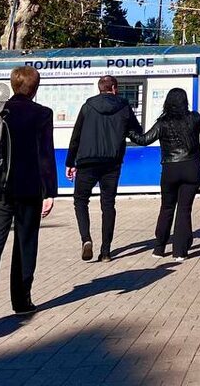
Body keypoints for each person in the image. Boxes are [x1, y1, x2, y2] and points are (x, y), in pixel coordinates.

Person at [129, 87, 200, 261]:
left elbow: (144, 140)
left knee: (166, 208)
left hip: (170, 170)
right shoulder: (194, 118)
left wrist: (127, 130)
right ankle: (180, 252)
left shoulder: (162, 123)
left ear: (168, 102)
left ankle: (159, 249)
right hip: (191, 168)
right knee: (184, 209)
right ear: (185, 102)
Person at [0, 67, 57, 314]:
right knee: (25, 244)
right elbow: (45, 154)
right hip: (29, 189)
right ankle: (21, 301)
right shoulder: (42, 114)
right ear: (35, 87)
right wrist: (49, 192)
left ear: (12, 85)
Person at [65, 74, 143, 262]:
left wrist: (70, 162)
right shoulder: (124, 106)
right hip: (112, 162)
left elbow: (76, 136)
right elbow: (137, 132)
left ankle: (86, 239)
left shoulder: (88, 106)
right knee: (108, 204)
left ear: (100, 88)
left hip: (87, 161)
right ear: (114, 88)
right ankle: (106, 251)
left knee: (80, 201)